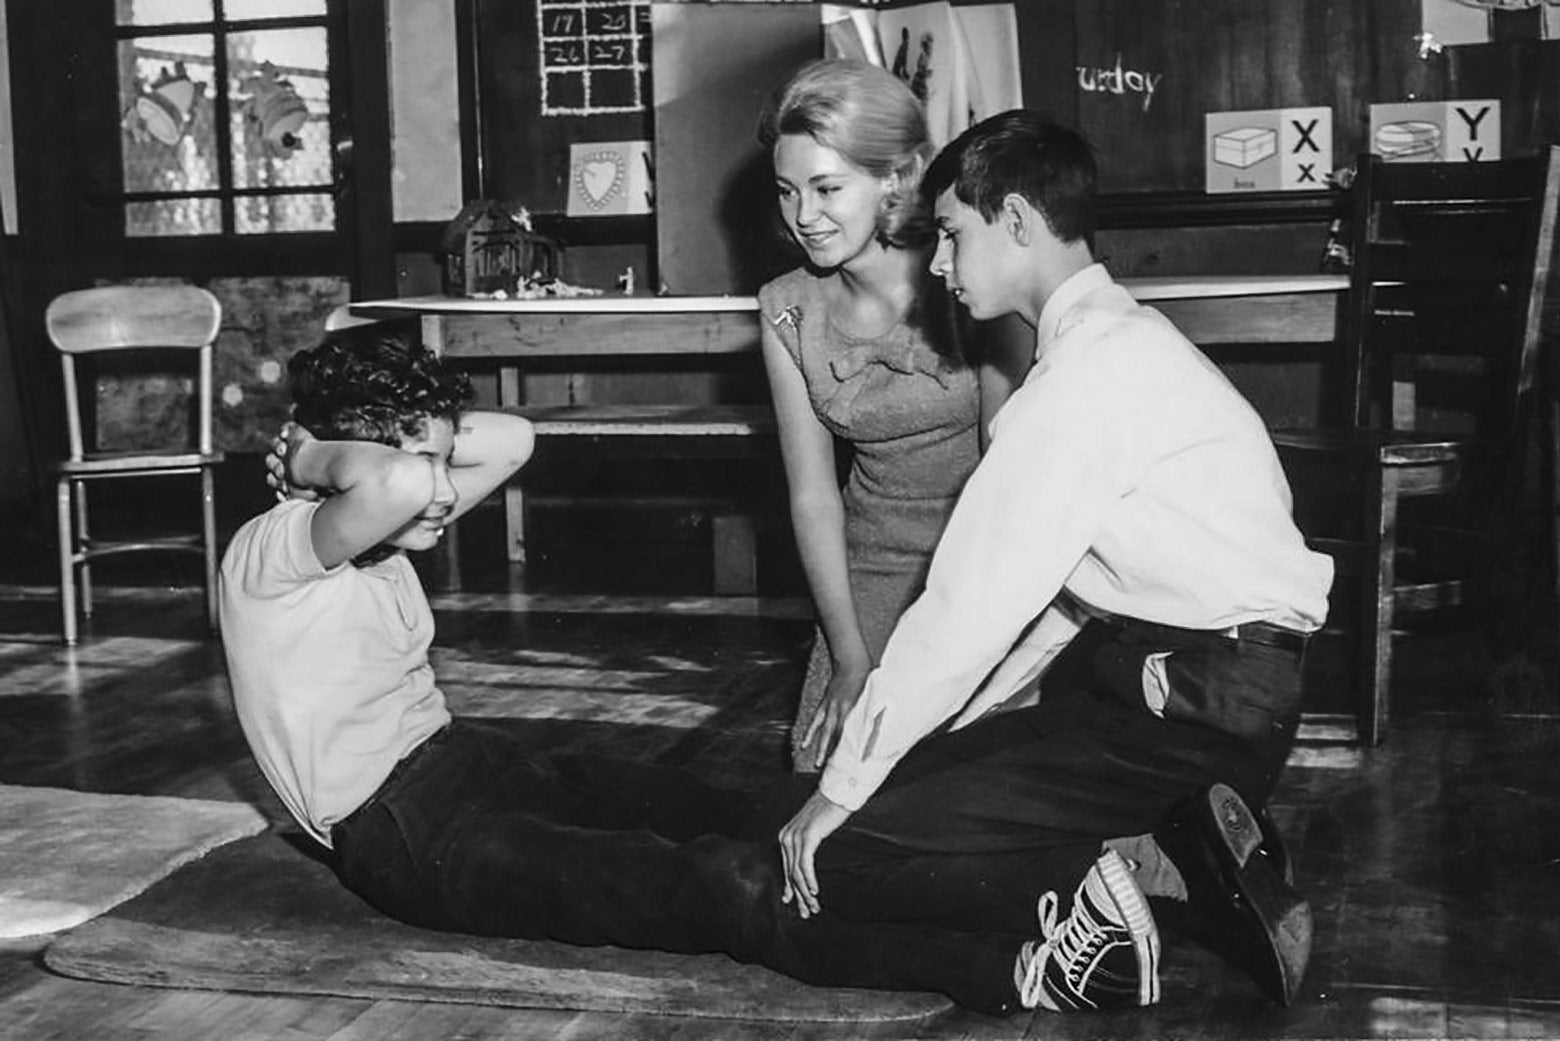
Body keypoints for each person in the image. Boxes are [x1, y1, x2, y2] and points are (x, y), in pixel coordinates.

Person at [217, 327, 1145, 1018]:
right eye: (419, 457)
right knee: (714, 884)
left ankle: (1043, 873)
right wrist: (316, 452)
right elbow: (405, 484)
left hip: (468, 761)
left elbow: (510, 438)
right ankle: (1022, 961)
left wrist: (385, 444)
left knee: (737, 808)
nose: (447, 483)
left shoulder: (368, 523)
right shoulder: (276, 550)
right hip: (403, 836)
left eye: (436, 449)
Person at [774, 110, 1336, 1010]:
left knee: (846, 849)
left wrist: (841, 791)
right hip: (1194, 688)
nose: (942, 267)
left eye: (953, 236)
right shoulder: (1121, 342)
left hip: (1191, 710)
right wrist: (954, 736)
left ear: (1019, 223)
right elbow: (1071, 602)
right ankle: (1173, 853)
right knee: (906, 780)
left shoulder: (1076, 386)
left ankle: (1113, 880)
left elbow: (966, 607)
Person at [755, 59, 1028, 771]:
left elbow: (1015, 477)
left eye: (827, 188)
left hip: (993, 561)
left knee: (986, 782)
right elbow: (813, 498)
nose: (803, 217)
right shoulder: (785, 305)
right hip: (869, 571)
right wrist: (849, 655)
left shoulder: (970, 276)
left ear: (897, 178)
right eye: (787, 191)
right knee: (828, 771)